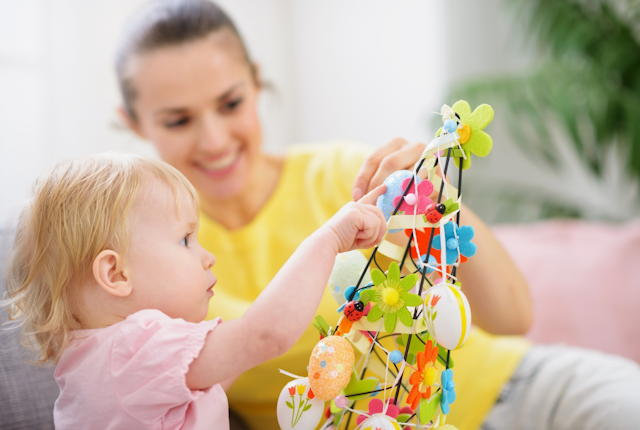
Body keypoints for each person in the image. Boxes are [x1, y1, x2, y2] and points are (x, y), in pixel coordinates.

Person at [113, 1, 640, 429]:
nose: (214, 139)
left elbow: (512, 319)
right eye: (179, 119)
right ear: (132, 121)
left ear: (256, 82)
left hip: (519, 388)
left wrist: (438, 198)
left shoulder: (344, 174)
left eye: (230, 103)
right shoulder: (150, 252)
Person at [3, 154, 388, 429]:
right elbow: (265, 335)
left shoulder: (103, 359)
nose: (208, 256)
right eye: (186, 240)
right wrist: (328, 239)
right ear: (115, 273)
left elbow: (220, 372)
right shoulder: (134, 350)